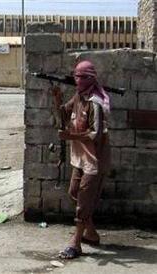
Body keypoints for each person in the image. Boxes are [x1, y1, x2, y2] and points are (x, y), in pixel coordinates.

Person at [51, 60, 111, 259]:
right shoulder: (78, 97)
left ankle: (76, 243)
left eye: (82, 77)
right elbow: (63, 115)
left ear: (90, 79)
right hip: (80, 157)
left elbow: (96, 134)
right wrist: (57, 98)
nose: (78, 80)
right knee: (74, 193)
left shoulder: (96, 102)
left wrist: (70, 137)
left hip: (95, 159)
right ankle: (91, 234)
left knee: (84, 201)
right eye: (76, 76)